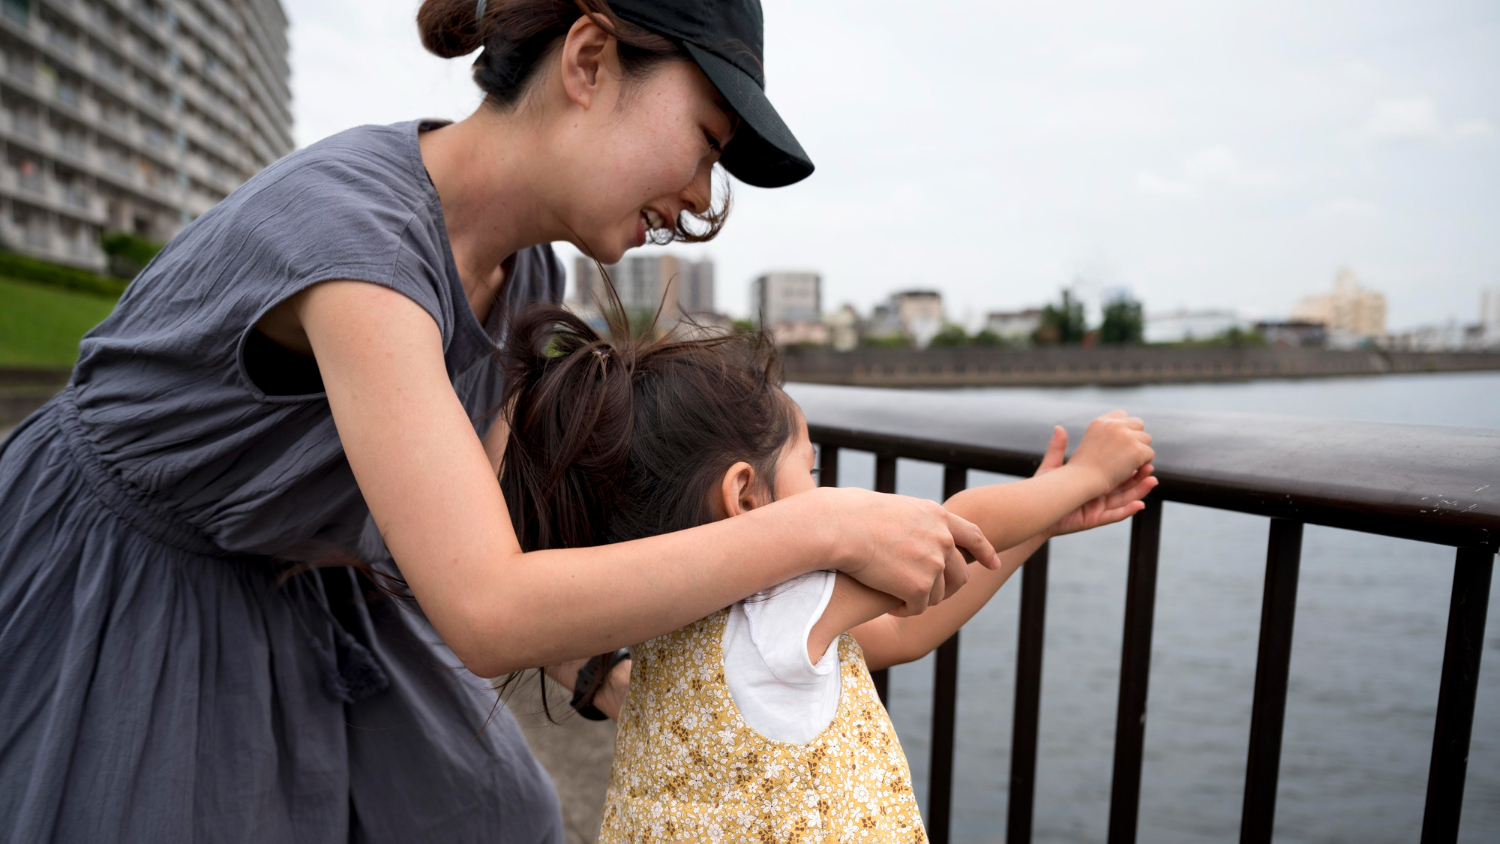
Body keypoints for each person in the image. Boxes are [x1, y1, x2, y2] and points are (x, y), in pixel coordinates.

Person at [0, 1, 1004, 841]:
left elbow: (488, 533)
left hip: (311, 578)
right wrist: (819, 526)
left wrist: (613, 675)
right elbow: (486, 608)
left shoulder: (528, 268)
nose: (701, 198)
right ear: (590, 58)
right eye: (706, 142)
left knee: (495, 812)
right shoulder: (355, 245)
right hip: (129, 579)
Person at [493, 304, 1158, 841]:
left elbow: (905, 634)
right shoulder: (786, 604)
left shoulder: (661, 621)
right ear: (746, 495)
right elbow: (960, 519)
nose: (823, 486)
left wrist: (1041, 518)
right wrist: (1083, 476)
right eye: (809, 470)